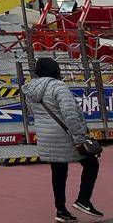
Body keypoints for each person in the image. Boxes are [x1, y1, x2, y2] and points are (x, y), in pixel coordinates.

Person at [23, 57, 102, 221]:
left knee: (58, 172)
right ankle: (83, 200)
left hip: (46, 136)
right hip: (65, 136)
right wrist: (80, 137)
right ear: (55, 70)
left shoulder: (29, 90)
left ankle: (61, 211)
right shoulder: (58, 87)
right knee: (91, 164)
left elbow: (33, 113)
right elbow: (70, 114)